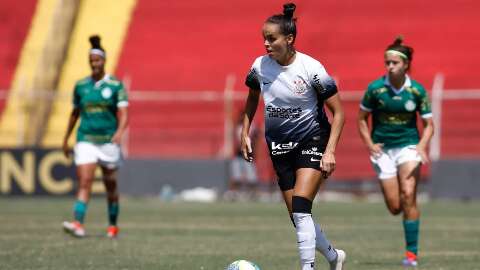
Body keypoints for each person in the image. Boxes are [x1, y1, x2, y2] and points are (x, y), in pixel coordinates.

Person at [241, 3, 346, 269]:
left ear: (289, 39)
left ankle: (307, 267)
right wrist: (244, 133)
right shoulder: (259, 66)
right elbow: (252, 98)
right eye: (263, 38)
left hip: (312, 139)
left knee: (300, 207)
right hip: (278, 146)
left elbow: (339, 112)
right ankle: (334, 257)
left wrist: (330, 150)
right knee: (298, 216)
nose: (266, 43)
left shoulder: (311, 68)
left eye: (271, 38)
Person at [357, 36, 434, 267]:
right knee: (395, 207)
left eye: (394, 63)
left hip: (408, 146)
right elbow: (361, 119)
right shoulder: (375, 89)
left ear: (406, 64)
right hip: (383, 151)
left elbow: (429, 124)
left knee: (409, 195)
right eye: (387, 63)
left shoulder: (417, 91)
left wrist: (421, 146)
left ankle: (411, 255)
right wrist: (370, 143)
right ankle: (402, 211)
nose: (390, 67)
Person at [62, 35, 129, 238]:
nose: (94, 64)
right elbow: (74, 114)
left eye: (97, 60)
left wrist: (119, 132)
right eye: (91, 61)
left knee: (110, 185)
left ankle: (112, 225)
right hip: (86, 140)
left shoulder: (115, 86)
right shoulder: (81, 86)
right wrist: (66, 139)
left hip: (108, 141)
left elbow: (124, 114)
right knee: (85, 181)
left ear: (104, 61)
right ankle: (78, 224)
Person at [225, 111, 260, 201]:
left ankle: (253, 194)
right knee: (236, 177)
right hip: (238, 155)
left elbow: (256, 140)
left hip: (249, 155)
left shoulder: (252, 127)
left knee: (252, 178)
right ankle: (233, 194)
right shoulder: (237, 127)